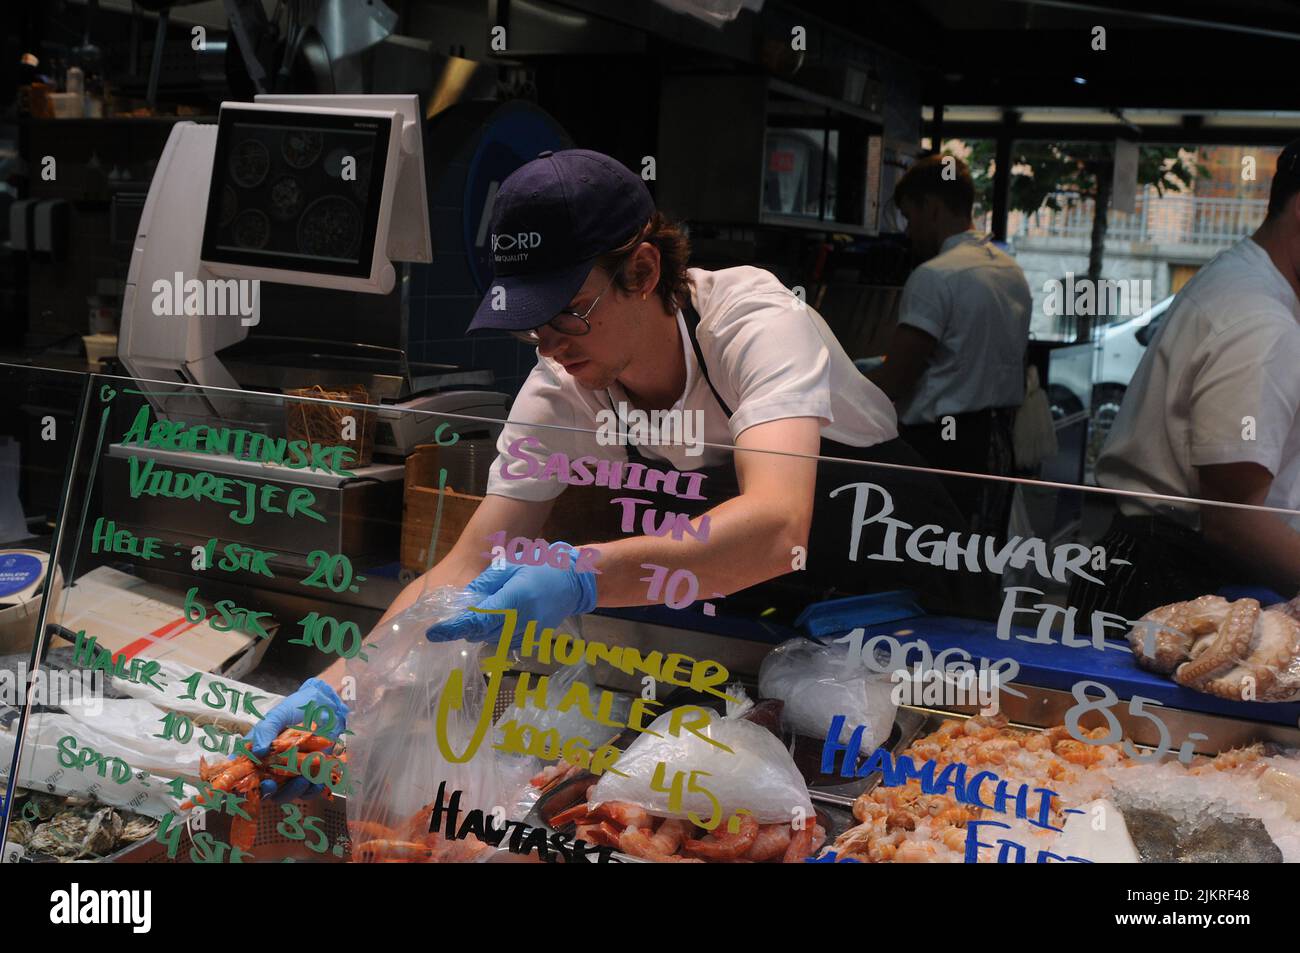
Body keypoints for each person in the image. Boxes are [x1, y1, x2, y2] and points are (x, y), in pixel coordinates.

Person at [248, 149, 971, 774]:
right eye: (530, 323)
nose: (551, 342)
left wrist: (580, 575)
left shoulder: (757, 324)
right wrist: (342, 687)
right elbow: (466, 564)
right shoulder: (560, 386)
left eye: (568, 310)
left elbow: (779, 526)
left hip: (897, 596)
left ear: (643, 270)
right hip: (776, 625)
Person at [1073, 142, 1300, 621]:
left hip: (1152, 563)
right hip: (1169, 580)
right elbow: (1234, 518)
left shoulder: (1241, 278)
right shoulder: (1262, 320)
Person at [868, 154, 1032, 534]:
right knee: (978, 556)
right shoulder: (1010, 271)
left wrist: (836, 391)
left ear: (933, 208)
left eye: (910, 217)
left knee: (928, 556)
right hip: (995, 443)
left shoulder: (934, 277)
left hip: (941, 445)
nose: (908, 231)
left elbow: (897, 379)